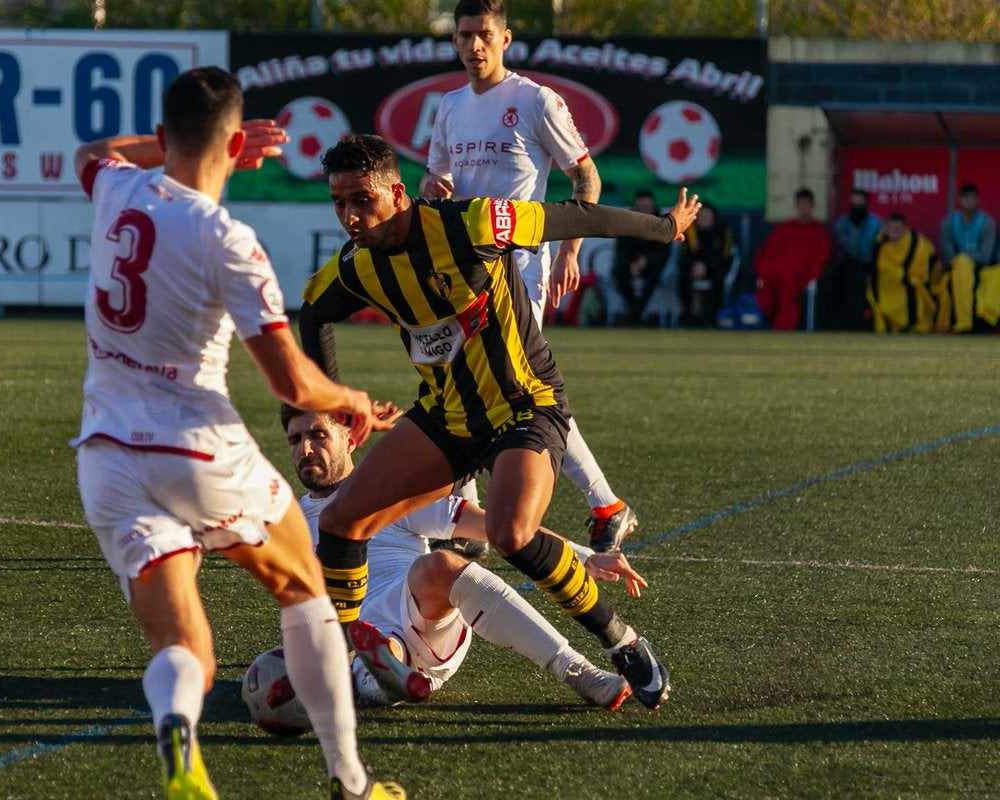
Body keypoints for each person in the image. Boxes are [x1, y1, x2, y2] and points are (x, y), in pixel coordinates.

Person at [71, 68, 404, 800]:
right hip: (195, 447)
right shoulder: (227, 239)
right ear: (233, 140)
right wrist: (348, 397)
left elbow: (91, 150)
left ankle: (179, 736)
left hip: (106, 457)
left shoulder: (119, 189)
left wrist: (194, 147)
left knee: (185, 647)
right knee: (304, 589)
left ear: (161, 140)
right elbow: (292, 385)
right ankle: (352, 781)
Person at [300, 133, 700, 711]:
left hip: (524, 405)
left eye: (361, 199)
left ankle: (621, 640)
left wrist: (664, 228)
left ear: (397, 192)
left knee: (511, 534)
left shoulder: (472, 224)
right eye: (338, 203)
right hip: (447, 417)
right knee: (339, 521)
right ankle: (337, 658)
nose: (349, 215)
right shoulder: (357, 267)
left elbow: (569, 217)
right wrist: (333, 399)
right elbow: (312, 315)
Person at [420, 0, 639, 551]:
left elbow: (584, 178)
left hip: (519, 270)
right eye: (465, 35)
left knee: (512, 389)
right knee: (475, 384)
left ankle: (593, 504)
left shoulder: (536, 101)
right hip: (463, 272)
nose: (474, 46)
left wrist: (570, 252)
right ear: (454, 41)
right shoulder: (447, 107)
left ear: (506, 38)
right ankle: (600, 505)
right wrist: (432, 191)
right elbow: (434, 180)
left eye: (484, 35)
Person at [284, 407, 647, 709]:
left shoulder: (389, 492)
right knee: (365, 641)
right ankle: (381, 675)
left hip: (419, 605)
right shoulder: (290, 522)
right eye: (296, 440)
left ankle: (576, 670)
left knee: (440, 565)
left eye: (318, 434)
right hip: (357, 629)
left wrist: (583, 556)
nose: (307, 449)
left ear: (350, 439)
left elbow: (493, 525)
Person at [753, 187, 831, 331]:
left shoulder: (818, 232)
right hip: (776, 274)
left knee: (788, 284)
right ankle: (762, 320)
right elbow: (767, 253)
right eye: (800, 204)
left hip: (796, 277)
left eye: (806, 204)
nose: (803, 208)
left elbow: (819, 260)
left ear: (812, 206)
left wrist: (809, 275)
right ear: (796, 205)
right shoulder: (784, 229)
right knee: (768, 280)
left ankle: (783, 325)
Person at [866, 213, 947, 333]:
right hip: (887, 287)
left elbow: (929, 266)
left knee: (915, 293)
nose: (894, 232)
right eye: (891, 228)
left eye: (898, 228)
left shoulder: (917, 243)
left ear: (905, 228)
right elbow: (876, 269)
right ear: (886, 228)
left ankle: (912, 324)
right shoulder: (879, 243)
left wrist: (903, 276)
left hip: (911, 285)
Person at [821, 189, 882, 330]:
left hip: (870, 268)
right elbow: (837, 249)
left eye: (860, 203)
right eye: (854, 203)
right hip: (846, 269)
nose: (857, 207)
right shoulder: (841, 223)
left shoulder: (876, 224)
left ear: (866, 203)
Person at [612, 189, 675, 326]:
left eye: (646, 207)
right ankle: (637, 312)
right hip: (630, 264)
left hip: (652, 265)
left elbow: (663, 250)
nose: (644, 211)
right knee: (619, 272)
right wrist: (631, 264)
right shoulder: (626, 222)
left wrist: (646, 260)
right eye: (641, 207)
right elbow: (622, 248)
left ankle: (634, 314)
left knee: (655, 274)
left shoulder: (662, 222)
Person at [940, 183, 997, 333]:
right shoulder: (948, 222)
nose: (969, 202)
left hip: (982, 269)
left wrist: (965, 258)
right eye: (966, 198)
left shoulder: (987, 222)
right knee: (961, 265)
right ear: (959, 200)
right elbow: (948, 256)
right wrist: (961, 261)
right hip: (957, 269)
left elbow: (986, 256)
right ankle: (963, 322)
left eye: (972, 198)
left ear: (978, 200)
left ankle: (985, 322)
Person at [677, 202, 734, 327]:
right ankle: (688, 317)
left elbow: (725, 256)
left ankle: (712, 318)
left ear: (713, 217)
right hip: (693, 268)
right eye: (700, 216)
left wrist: (706, 267)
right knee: (682, 278)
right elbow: (684, 254)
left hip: (715, 267)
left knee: (719, 279)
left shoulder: (723, 231)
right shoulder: (689, 230)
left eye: (707, 216)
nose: (703, 219)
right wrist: (695, 265)